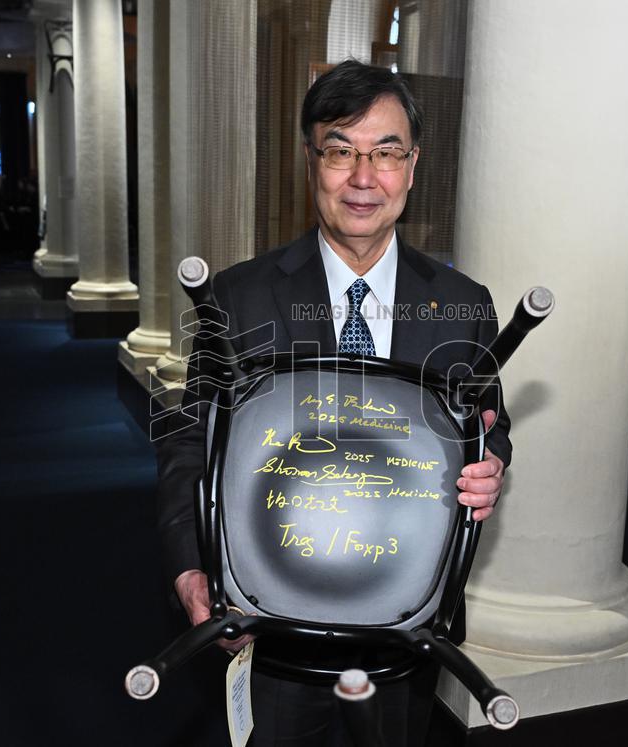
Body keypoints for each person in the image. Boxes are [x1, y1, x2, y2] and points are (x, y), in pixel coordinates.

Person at [156, 59, 511, 746]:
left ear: (413, 166)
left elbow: (490, 428)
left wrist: (489, 465)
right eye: (340, 151)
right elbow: (189, 439)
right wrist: (188, 568)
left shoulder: (464, 305)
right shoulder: (239, 298)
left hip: (406, 627)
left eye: (386, 153)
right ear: (311, 160)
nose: (363, 177)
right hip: (272, 627)